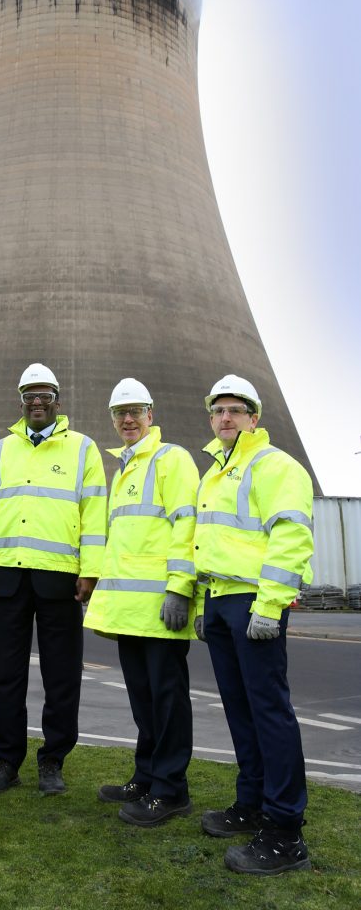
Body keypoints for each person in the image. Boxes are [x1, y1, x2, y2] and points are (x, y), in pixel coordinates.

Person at [0, 363, 107, 796]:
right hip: (9, 575)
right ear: (21, 402)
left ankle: (53, 760)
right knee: (7, 676)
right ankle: (6, 761)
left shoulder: (82, 449)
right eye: (29, 395)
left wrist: (91, 569)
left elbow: (95, 514)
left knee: (61, 675)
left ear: (58, 401)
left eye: (44, 394)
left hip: (59, 578)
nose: (37, 401)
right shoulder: (1, 450)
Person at [194, 374, 314, 875]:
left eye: (235, 410)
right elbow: (208, 544)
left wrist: (270, 604)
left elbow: (290, 535)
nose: (226, 418)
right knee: (240, 710)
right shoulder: (214, 474)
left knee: (269, 711)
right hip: (220, 601)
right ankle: (252, 804)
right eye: (218, 410)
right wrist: (203, 602)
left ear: (254, 418)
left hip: (252, 602)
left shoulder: (274, 466)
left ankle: (285, 830)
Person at [84, 378, 200, 826]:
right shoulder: (126, 467)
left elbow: (186, 525)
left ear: (151, 414)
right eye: (119, 413)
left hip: (161, 609)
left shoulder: (172, 460)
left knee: (168, 701)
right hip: (130, 613)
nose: (127, 420)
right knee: (144, 702)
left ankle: (172, 791)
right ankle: (147, 775)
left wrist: (179, 587)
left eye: (134, 411)